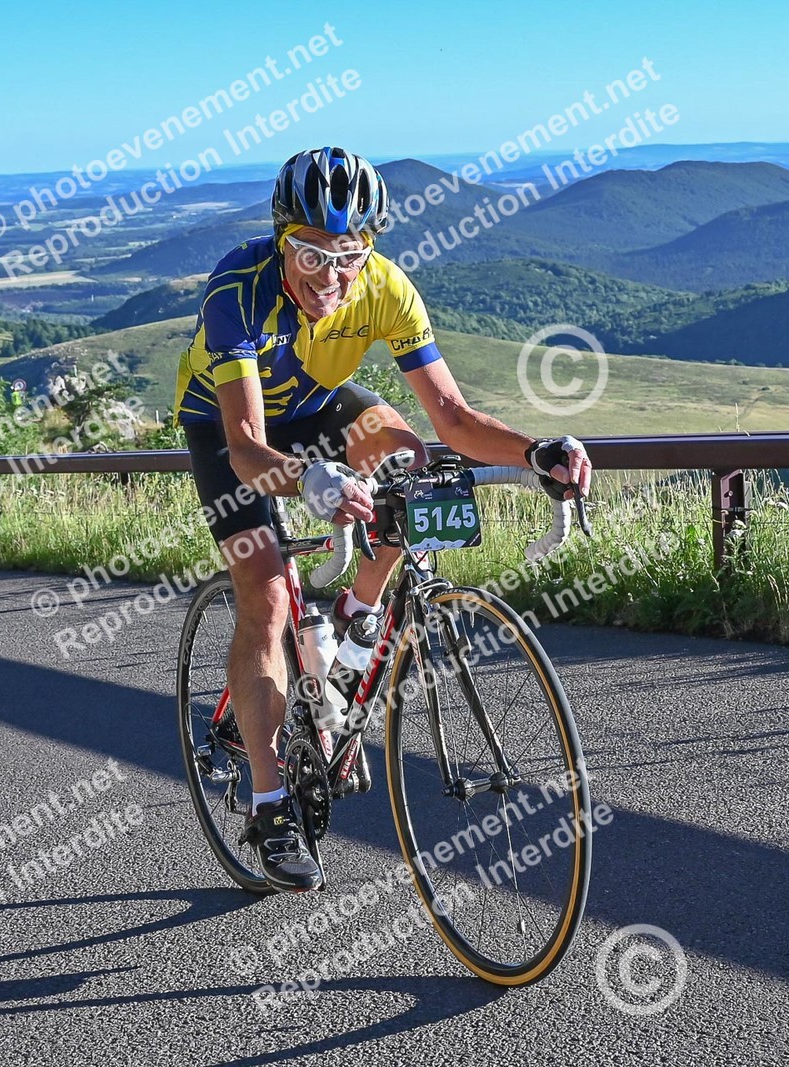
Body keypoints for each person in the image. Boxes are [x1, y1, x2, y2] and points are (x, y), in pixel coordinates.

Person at [173, 146, 592, 892]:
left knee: (410, 458)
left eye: (348, 256)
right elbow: (247, 448)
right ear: (281, 240)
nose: (329, 277)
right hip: (230, 430)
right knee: (267, 598)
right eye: (310, 254)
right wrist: (309, 477)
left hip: (316, 406)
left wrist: (537, 451)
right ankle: (270, 805)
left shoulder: (386, 287)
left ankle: (357, 619)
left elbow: (453, 416)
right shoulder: (238, 288)